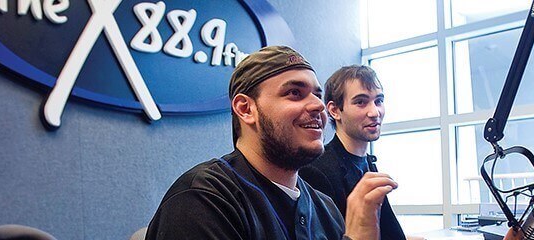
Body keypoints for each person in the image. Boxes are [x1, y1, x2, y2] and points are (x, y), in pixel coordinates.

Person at [145, 46, 398, 240]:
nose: (318, 105)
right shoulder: (203, 200)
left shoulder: (325, 209)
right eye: (294, 93)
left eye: (317, 95)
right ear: (246, 109)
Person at [299, 65, 420, 240]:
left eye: (378, 101)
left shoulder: (368, 164)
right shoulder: (318, 171)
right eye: (361, 102)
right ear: (334, 110)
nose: (374, 112)